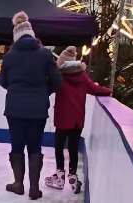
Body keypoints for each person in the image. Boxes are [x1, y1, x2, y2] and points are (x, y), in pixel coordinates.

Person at [0, 11, 62, 200]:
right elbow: (57, 82)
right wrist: (43, 93)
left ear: (15, 36)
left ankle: (18, 184)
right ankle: (34, 188)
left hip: (14, 108)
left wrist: (17, 90)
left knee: (17, 145)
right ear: (32, 34)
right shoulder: (45, 55)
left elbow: (3, 82)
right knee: (35, 146)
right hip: (38, 108)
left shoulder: (9, 57)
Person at [45, 46, 111, 193]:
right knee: (73, 147)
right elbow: (95, 89)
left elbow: (47, 88)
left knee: (59, 146)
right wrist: (108, 91)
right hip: (77, 119)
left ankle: (60, 174)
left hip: (62, 118)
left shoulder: (59, 75)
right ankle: (73, 175)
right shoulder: (82, 76)